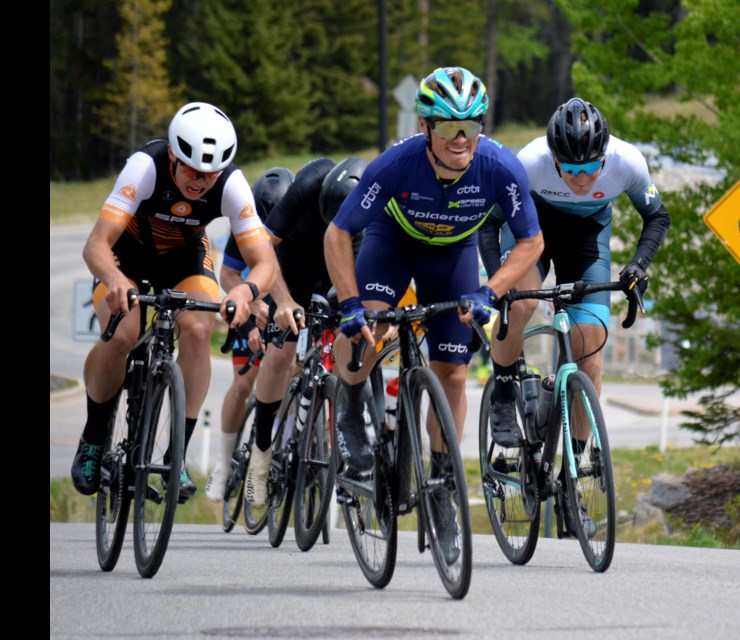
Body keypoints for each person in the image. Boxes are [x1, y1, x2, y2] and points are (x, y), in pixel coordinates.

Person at [323, 66, 544, 558]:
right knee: (368, 330)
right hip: (392, 246)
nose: (461, 139)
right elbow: (336, 234)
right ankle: (351, 414)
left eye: (471, 125)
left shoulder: (499, 167)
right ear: (426, 128)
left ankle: (443, 488)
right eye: (447, 127)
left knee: (453, 373)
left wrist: (492, 289)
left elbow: (532, 241)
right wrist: (350, 304)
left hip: (454, 257)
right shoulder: (395, 165)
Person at [71, 101, 279, 501]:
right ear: (173, 154)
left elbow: (265, 262)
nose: (200, 182)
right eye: (191, 170)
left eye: (210, 173)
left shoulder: (232, 184)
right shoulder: (144, 166)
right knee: (122, 332)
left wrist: (245, 290)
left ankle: (176, 456)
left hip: (184, 256)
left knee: (199, 329)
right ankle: (94, 438)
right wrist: (113, 279)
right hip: (125, 255)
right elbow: (96, 244)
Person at [478, 96, 670, 446]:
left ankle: (576, 470)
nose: (581, 180)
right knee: (520, 305)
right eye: (571, 170)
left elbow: (657, 217)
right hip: (531, 230)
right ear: (553, 159)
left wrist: (638, 266)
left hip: (587, 237)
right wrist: (497, 282)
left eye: (590, 169)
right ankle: (504, 397)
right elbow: (489, 223)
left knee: (589, 358)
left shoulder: (627, 162)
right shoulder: (529, 163)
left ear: (605, 157)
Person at [214, 156, 369, 507]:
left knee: (353, 332)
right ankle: (262, 451)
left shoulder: (371, 195)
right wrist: (282, 302)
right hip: (294, 257)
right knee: (281, 352)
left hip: (340, 255)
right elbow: (264, 252)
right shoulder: (307, 185)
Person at [205, 167, 294, 502]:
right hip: (250, 302)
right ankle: (223, 464)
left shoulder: (298, 222)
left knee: (290, 371)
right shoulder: (246, 226)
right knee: (244, 382)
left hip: (283, 303)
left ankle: (278, 452)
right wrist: (252, 303)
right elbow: (227, 274)